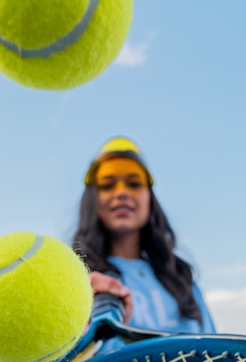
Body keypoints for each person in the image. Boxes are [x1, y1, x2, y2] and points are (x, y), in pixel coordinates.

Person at [72, 136, 215, 354]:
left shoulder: (184, 283)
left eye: (134, 183)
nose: (122, 192)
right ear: (92, 199)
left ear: (150, 197)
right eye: (107, 185)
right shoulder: (76, 283)